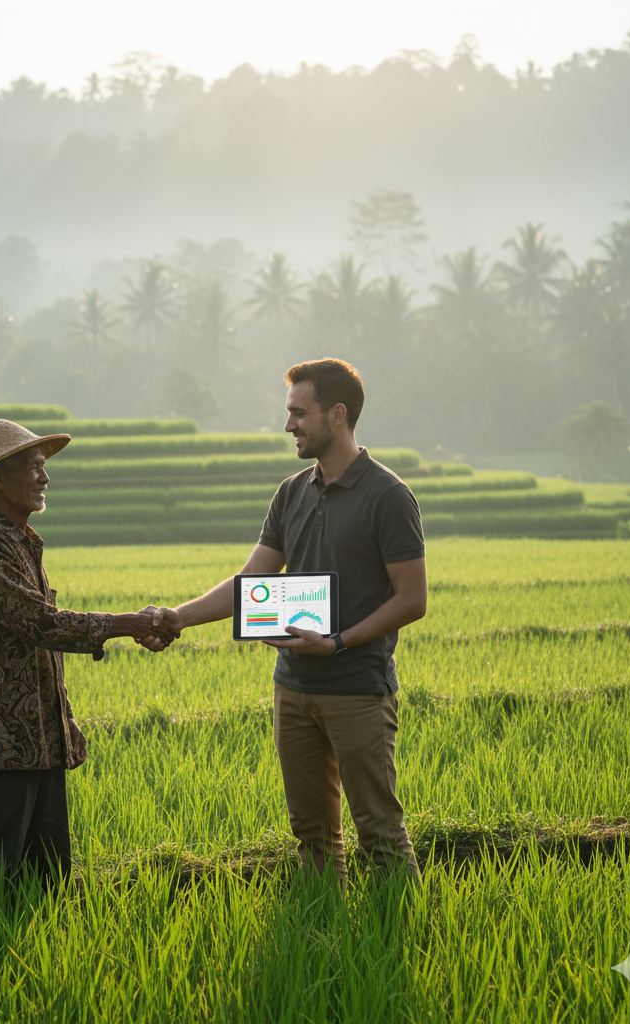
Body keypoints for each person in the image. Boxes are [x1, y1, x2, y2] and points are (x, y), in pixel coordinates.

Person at [146, 359, 426, 879]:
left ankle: (400, 947)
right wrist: (175, 618)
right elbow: (250, 584)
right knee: (313, 836)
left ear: (337, 414)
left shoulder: (387, 496)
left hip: (356, 687)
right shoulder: (292, 491)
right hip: (292, 687)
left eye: (299, 413)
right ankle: (325, 945)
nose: (288, 425)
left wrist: (338, 642)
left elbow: (412, 599)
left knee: (379, 833)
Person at [0, 415, 181, 886]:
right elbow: (41, 624)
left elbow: (35, 646)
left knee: (47, 875)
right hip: (0, 738)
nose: (45, 476)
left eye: (43, 465)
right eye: (33, 466)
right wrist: (129, 623)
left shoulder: (22, 542)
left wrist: (63, 715)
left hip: (37, 735)